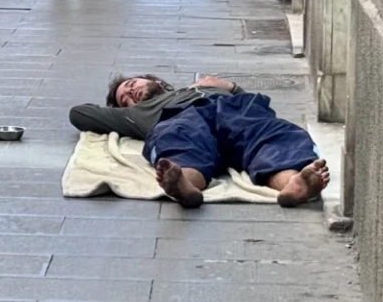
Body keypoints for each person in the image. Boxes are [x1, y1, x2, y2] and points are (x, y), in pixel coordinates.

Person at [70, 74, 329, 209]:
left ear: (155, 80)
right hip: (180, 120)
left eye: (131, 83)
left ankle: (293, 184)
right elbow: (78, 113)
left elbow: (248, 100)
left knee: (267, 135)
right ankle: (184, 185)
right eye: (125, 96)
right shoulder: (134, 115)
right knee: (182, 146)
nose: (131, 91)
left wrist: (229, 85)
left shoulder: (201, 86)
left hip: (233, 109)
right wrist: (118, 112)